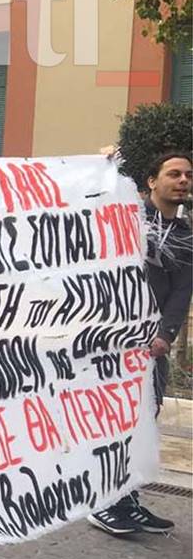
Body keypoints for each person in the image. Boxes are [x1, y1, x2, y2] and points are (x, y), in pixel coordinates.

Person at [88, 150, 191, 536]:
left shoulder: (186, 236)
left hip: (152, 348)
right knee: (112, 422)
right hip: (112, 341)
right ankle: (102, 504)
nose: (183, 181)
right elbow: (86, 214)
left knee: (143, 422)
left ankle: (127, 500)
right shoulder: (125, 216)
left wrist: (166, 335)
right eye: (174, 174)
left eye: (188, 175)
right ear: (151, 181)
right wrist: (103, 167)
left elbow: (181, 291)